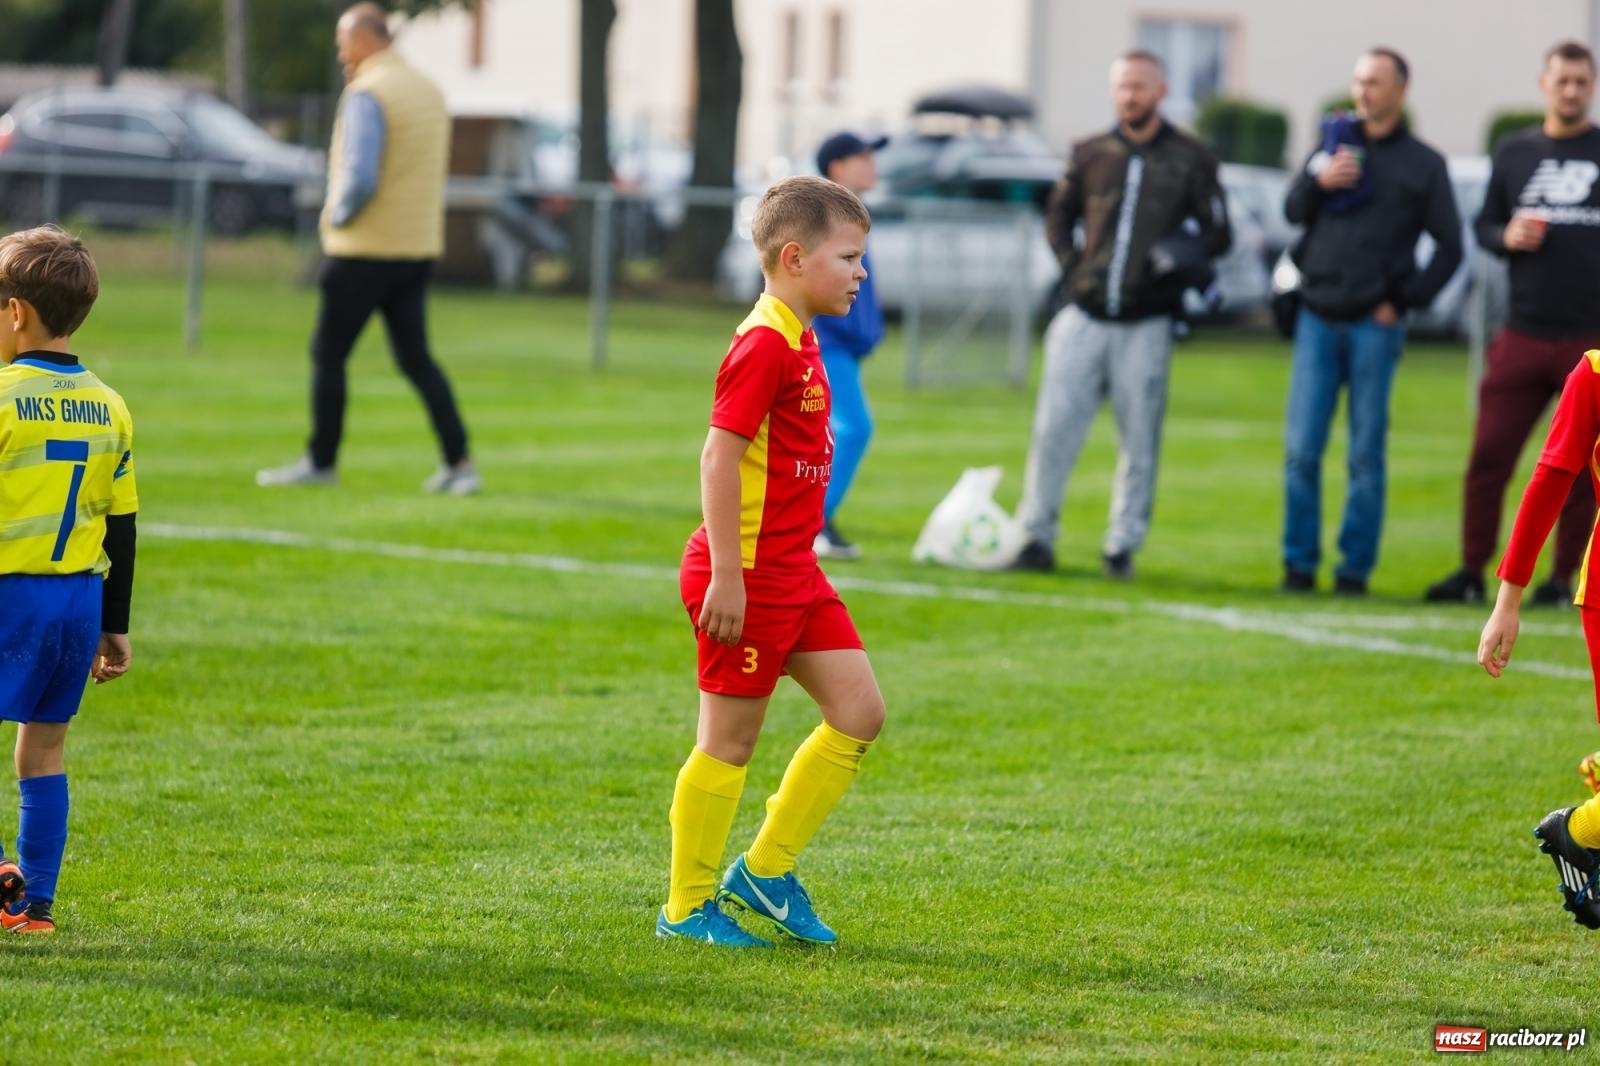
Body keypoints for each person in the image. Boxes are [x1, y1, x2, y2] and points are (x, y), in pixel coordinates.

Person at [658, 176, 886, 948]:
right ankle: (687, 908)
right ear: (794, 258)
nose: (861, 273)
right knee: (729, 742)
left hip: (794, 570)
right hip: (747, 575)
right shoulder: (762, 343)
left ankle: (763, 870)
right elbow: (717, 459)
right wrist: (727, 573)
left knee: (859, 712)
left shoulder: (801, 330)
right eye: (849, 258)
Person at [1012, 50, 1231, 578]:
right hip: (1083, 315)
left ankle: (1121, 546)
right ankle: (1035, 538)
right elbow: (1056, 215)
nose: (1129, 95)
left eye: (1139, 86)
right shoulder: (1090, 152)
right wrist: (1073, 267)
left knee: (1139, 441)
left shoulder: (1191, 156)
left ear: (1160, 90)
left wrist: (1181, 256)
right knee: (1053, 432)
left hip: (1148, 321)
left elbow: (1219, 233)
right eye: (1122, 86)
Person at [256, 2, 478, 494]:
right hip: (416, 247)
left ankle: (321, 461)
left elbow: (359, 177)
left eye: (343, 43)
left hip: (363, 249)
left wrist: (334, 216)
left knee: (328, 352)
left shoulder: (368, 91)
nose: (340, 54)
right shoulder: (428, 90)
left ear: (362, 40)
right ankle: (460, 462)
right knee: (417, 358)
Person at [1281, 48, 1461, 595]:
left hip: (1374, 326)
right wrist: (1320, 182)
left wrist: (1402, 302)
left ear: (1400, 91)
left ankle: (1353, 570)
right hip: (1317, 315)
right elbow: (1292, 211)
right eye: (1359, 81)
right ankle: (1298, 565)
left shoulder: (1424, 164)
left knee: (1364, 453)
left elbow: (1452, 248)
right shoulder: (1334, 142)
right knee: (1301, 451)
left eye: (1375, 83)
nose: (1363, 92)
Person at [1427, 41, 1600, 607]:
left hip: (1589, 340)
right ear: (1543, 84)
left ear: (1591, 86)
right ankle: (1473, 570)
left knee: (1580, 469)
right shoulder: (1515, 152)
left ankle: (1562, 578)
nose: (1571, 90)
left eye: (1581, 81)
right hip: (1524, 330)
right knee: (1489, 453)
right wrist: (1506, 236)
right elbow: (1483, 227)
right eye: (1562, 80)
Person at [0, 226, 138, 935]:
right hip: (79, 599)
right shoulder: (110, 405)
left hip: (9, 594)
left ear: (16, 312)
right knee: (43, 749)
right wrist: (115, 624)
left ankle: (1, 881)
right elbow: (122, 527)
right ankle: (37, 904)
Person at [1478, 347, 1600, 928]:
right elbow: (1551, 479)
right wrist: (1508, 601)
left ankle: (1582, 829)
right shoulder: (1594, 374)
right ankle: (1577, 834)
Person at [811, 131, 887, 561]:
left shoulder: (849, 214)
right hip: (826, 344)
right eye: (862, 157)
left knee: (830, 434)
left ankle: (815, 522)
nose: (872, 164)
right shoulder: (824, 216)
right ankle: (813, 523)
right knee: (854, 427)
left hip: (843, 346)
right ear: (837, 167)